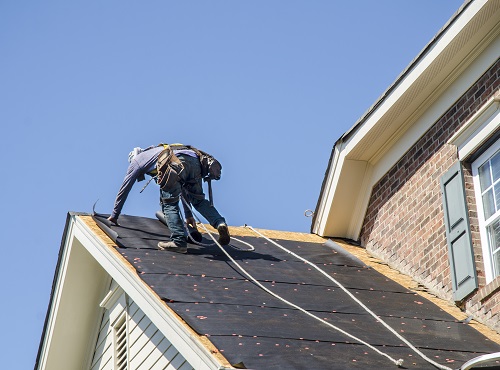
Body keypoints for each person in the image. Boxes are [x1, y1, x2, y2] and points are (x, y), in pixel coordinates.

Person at [107, 144, 230, 253]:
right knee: (199, 200)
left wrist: (114, 215)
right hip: (194, 161)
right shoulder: (157, 151)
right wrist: (188, 216)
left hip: (174, 163)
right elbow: (182, 186)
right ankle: (220, 223)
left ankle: (178, 241)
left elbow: (125, 188)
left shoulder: (137, 161)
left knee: (169, 204)